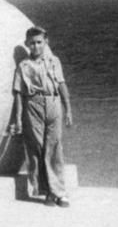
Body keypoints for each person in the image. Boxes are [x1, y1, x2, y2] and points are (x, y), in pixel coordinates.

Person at [10, 26, 73, 208]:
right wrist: (19, 119)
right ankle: (47, 191)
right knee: (37, 149)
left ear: (46, 42)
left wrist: (68, 109)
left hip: (53, 103)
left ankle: (60, 192)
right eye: (32, 43)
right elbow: (19, 94)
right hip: (33, 105)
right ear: (27, 44)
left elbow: (61, 85)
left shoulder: (54, 61)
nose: (36, 46)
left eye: (39, 42)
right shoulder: (23, 66)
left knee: (54, 148)